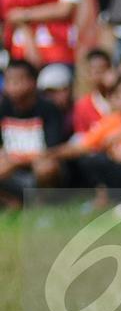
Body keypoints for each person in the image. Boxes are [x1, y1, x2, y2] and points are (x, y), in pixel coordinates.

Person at [48, 74, 121, 191]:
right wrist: (50, 154)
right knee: (93, 160)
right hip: (120, 169)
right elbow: (83, 146)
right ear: (113, 99)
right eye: (120, 96)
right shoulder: (111, 119)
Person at [0, 60, 68, 206]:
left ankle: (42, 204)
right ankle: (11, 201)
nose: (12, 86)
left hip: (35, 167)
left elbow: (50, 151)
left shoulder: (49, 109)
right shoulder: (3, 108)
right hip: (9, 168)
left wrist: (16, 163)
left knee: (46, 167)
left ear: (32, 82)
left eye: (18, 80)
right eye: (8, 80)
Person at [72, 49, 114, 136]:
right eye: (94, 70)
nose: (98, 73)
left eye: (102, 69)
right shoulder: (83, 105)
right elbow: (82, 136)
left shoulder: (120, 98)